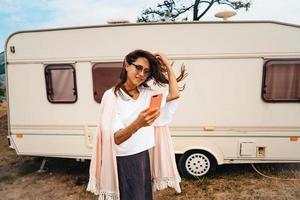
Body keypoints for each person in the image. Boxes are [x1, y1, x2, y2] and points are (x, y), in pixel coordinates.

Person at [87, 49, 186, 200]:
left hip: (143, 155)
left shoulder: (147, 94)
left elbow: (174, 94)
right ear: (126, 65)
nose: (141, 74)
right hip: (124, 160)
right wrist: (138, 124)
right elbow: (116, 138)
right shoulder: (112, 97)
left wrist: (167, 64)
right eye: (138, 67)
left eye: (146, 71)